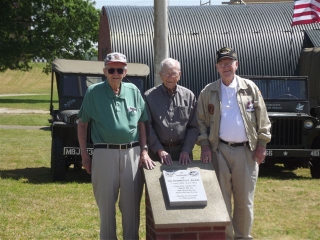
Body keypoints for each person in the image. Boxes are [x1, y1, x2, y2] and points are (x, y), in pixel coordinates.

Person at [77, 52, 156, 240]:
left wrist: (144, 151)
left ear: (125, 71)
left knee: (131, 207)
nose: (115, 73)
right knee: (106, 206)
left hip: (132, 153)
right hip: (104, 153)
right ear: (104, 71)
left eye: (119, 69)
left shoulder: (134, 91)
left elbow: (142, 123)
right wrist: (85, 156)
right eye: (111, 69)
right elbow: (82, 124)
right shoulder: (93, 92)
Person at [196, 47, 271, 239]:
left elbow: (263, 118)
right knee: (221, 199)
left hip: (246, 152)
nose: (226, 67)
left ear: (236, 65)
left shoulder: (250, 88)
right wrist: (204, 144)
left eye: (229, 63)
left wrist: (262, 144)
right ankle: (225, 237)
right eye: (222, 64)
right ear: (217, 67)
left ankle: (242, 236)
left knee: (244, 200)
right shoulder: (209, 91)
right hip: (219, 150)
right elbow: (201, 121)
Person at [144, 58, 199, 165]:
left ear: (179, 75)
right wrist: (159, 150)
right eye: (166, 73)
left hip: (183, 153)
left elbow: (194, 126)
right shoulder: (149, 97)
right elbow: (147, 126)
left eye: (173, 73)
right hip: (157, 153)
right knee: (157, 181)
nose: (169, 77)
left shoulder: (189, 96)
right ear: (160, 75)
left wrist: (186, 150)